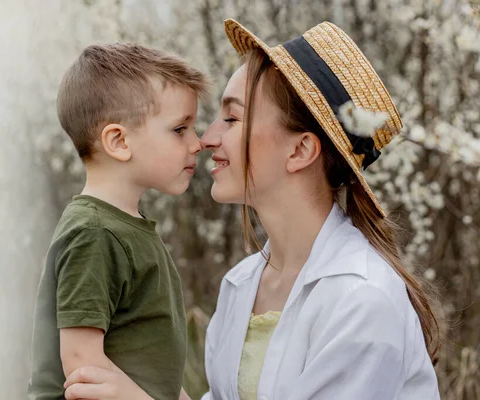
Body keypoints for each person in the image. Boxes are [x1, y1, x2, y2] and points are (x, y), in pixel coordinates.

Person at [62, 18, 443, 400]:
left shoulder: (361, 300)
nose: (207, 139)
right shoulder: (242, 284)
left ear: (300, 150)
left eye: (231, 118)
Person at [26, 42, 208, 400]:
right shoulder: (94, 232)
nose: (197, 143)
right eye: (180, 129)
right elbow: (83, 368)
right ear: (119, 141)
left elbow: (158, 378)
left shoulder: (127, 227)